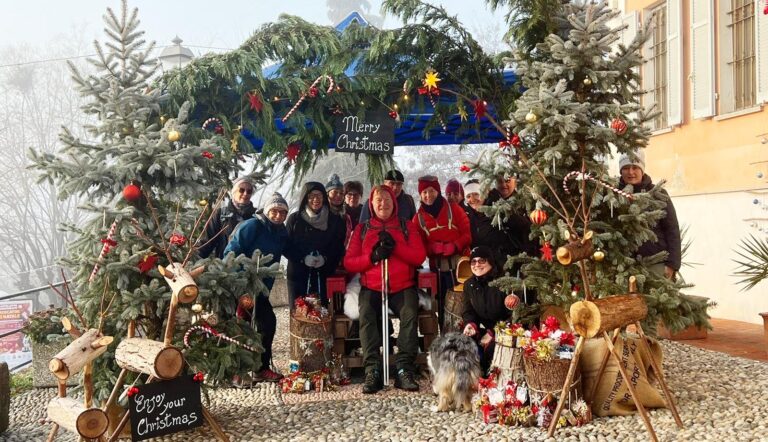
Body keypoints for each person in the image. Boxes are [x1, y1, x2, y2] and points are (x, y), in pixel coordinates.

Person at [344, 185, 427, 394]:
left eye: (387, 200)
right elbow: (350, 262)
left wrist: (396, 247)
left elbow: (419, 257)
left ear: (394, 203)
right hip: (372, 286)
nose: (383, 204)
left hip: (402, 286)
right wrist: (372, 257)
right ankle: (372, 369)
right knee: (367, 315)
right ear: (372, 204)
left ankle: (403, 368)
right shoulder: (362, 230)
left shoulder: (406, 226)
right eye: (379, 200)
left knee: (410, 313)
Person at [223, 192, 290, 382]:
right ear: (267, 211)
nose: (278, 215)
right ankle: (237, 370)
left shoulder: (280, 232)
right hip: (243, 284)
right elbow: (231, 252)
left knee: (267, 324)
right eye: (274, 211)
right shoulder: (252, 226)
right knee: (242, 326)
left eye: (282, 212)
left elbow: (290, 250)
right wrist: (238, 277)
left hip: (261, 288)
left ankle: (260, 368)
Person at [413, 175, 471, 332]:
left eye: (431, 191)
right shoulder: (418, 219)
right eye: (424, 192)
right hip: (437, 270)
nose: (428, 195)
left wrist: (455, 245)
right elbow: (418, 244)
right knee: (440, 304)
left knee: (462, 304)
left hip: (459, 267)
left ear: (438, 191)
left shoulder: (454, 209)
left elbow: (467, 234)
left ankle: (464, 335)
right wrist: (431, 248)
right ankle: (445, 336)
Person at [618, 151, 681, 280]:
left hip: (656, 265)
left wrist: (672, 265)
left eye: (635, 167)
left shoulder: (659, 194)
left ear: (642, 170)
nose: (630, 172)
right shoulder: (613, 195)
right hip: (623, 268)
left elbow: (672, 230)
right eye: (626, 168)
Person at [284, 182, 346, 306]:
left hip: (324, 274)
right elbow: (286, 246)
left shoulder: (335, 220)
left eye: (319, 195)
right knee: (299, 314)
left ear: (324, 197)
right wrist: (303, 258)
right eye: (311, 196)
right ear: (305, 198)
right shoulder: (294, 219)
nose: (315, 199)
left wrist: (325, 258)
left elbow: (338, 246)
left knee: (323, 313)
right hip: (298, 275)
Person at [461, 246, 517, 373]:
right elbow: (468, 310)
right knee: (463, 342)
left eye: (481, 261)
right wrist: (471, 325)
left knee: (493, 349)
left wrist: (493, 333)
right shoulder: (469, 285)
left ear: (490, 262)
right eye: (473, 261)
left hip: (506, 329)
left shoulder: (504, 283)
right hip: (483, 329)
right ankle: (467, 378)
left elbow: (514, 315)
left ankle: (492, 380)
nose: (477, 265)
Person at [483, 174, 538, 274]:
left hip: (521, 259)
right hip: (496, 261)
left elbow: (526, 226)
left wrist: (501, 204)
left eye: (507, 181)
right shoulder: (487, 203)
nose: (504, 185)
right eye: (500, 181)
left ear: (515, 181)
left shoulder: (525, 202)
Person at [199, 176, 257, 259]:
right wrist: (194, 262)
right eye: (241, 190)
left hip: (248, 267)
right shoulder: (220, 214)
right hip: (224, 267)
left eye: (249, 191)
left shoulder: (256, 216)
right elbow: (206, 242)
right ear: (233, 192)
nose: (245, 194)